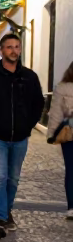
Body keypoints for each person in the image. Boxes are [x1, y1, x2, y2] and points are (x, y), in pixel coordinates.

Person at [0, 33, 44, 238]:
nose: (14, 50)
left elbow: (38, 103)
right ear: (2, 50)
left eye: (17, 46)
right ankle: (1, 219)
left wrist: (28, 124)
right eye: (9, 47)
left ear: (20, 49)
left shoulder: (29, 77)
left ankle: (7, 210)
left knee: (13, 179)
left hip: (20, 137)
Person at [47, 62, 73, 220]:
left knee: (71, 170)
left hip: (69, 134)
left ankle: (72, 207)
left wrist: (51, 134)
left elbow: (56, 113)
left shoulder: (62, 88)